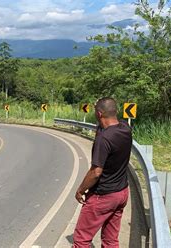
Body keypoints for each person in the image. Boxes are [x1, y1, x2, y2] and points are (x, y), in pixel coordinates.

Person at [73, 97, 132, 247]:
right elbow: (105, 126)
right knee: (110, 239)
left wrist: (80, 190)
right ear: (115, 112)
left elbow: (96, 172)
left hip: (103, 196)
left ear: (99, 114)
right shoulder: (125, 128)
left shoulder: (103, 139)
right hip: (122, 193)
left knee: (81, 239)